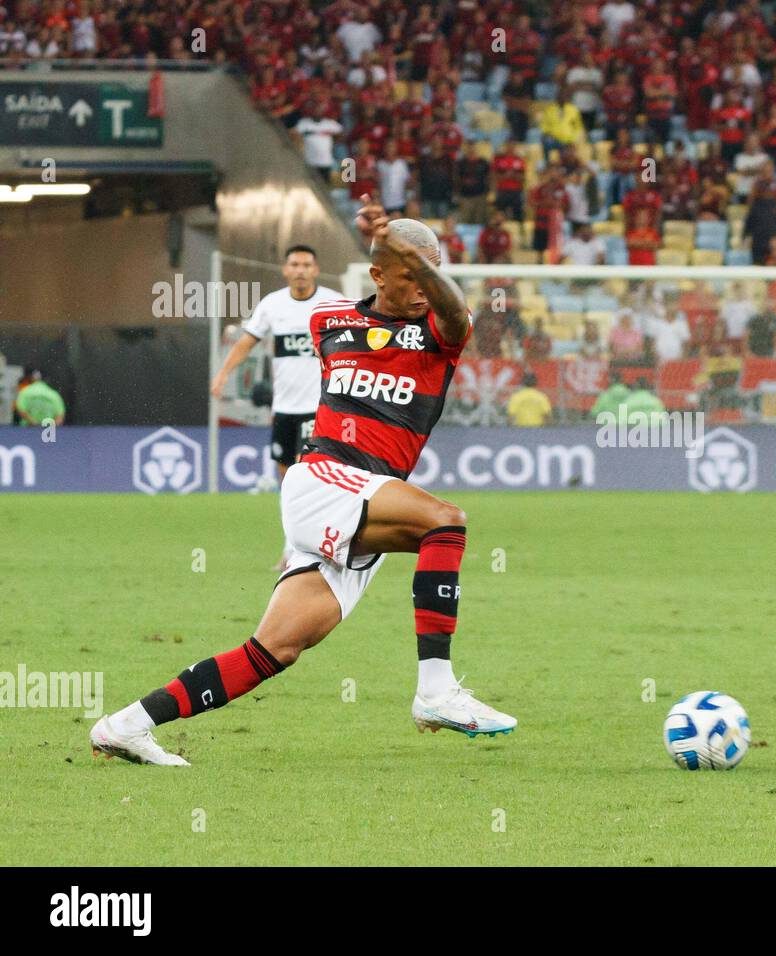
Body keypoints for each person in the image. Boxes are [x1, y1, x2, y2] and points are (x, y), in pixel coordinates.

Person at [93, 200, 515, 766]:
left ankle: (125, 725)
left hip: (362, 498)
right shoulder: (330, 323)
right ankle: (436, 691)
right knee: (446, 522)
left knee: (273, 650)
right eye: (413, 275)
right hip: (322, 479)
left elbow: (457, 313)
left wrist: (414, 259)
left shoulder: (441, 332)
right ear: (378, 274)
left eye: (433, 274)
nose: (425, 289)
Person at [211, 246, 343, 566]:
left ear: (316, 269)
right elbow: (247, 341)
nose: (300, 270)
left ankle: (303, 550)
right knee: (286, 481)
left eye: (306, 265)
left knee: (306, 477)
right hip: (284, 408)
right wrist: (224, 373)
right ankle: (295, 547)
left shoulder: (334, 301)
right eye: (294, 264)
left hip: (319, 407)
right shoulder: (272, 305)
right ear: (285, 270)